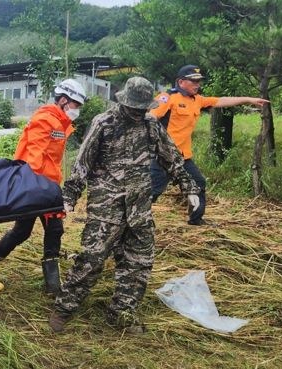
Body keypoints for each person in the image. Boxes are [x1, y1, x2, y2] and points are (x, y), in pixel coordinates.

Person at [49, 77, 200, 334]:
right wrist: (70, 197)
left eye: (143, 108)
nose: (138, 113)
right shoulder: (104, 123)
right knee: (92, 259)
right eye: (135, 108)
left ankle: (121, 312)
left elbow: (171, 157)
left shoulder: (150, 124)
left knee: (138, 261)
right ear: (124, 102)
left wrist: (189, 187)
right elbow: (82, 162)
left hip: (139, 207)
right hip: (107, 207)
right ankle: (64, 308)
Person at [0, 79, 86, 295]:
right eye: (76, 105)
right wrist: (35, 189)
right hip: (35, 188)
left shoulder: (61, 123)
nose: (77, 110)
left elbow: (52, 161)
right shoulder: (45, 119)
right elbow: (34, 157)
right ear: (64, 100)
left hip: (49, 187)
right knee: (22, 231)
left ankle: (53, 287)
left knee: (54, 230)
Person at [150, 65, 269, 225]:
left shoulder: (197, 100)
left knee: (198, 183)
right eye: (193, 81)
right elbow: (149, 117)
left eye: (199, 81)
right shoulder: (167, 97)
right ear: (181, 82)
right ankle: (132, 220)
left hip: (183, 157)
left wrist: (248, 99)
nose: (197, 84)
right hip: (164, 156)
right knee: (153, 191)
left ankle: (196, 219)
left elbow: (221, 101)